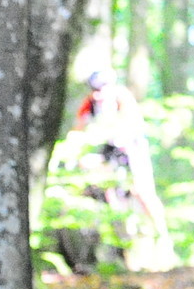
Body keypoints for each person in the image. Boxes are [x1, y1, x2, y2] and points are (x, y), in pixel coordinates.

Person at [72, 68, 172, 247]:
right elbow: (78, 129)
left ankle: (161, 233)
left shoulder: (122, 97)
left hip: (132, 145)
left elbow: (132, 124)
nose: (98, 94)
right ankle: (119, 235)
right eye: (94, 90)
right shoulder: (90, 103)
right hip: (108, 147)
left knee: (142, 189)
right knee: (99, 182)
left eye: (102, 88)